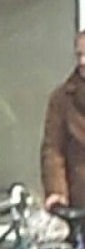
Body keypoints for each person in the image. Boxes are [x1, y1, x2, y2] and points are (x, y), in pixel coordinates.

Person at [41, 31, 85, 212]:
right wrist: (57, 191)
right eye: (80, 55)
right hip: (80, 201)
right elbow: (53, 149)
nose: (83, 62)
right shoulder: (62, 98)